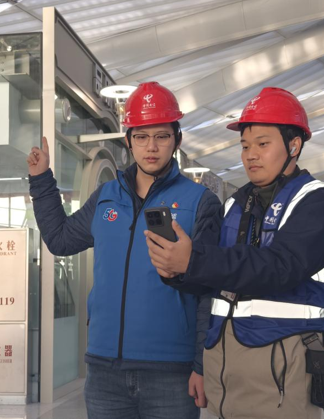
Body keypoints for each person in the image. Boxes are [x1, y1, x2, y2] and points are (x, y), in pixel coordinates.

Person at [145, 87, 324, 419]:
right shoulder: (235, 204)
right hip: (225, 373)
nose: (250, 155)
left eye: (262, 144)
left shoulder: (318, 203)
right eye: (244, 146)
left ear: (294, 145)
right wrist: (177, 271)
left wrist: (193, 260)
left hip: (284, 372)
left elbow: (280, 267)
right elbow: (211, 277)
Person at [27, 82, 221, 419]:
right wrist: (42, 180)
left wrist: (202, 365)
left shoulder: (200, 202)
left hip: (172, 371)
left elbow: (209, 291)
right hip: (104, 370)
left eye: (162, 136)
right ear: (128, 140)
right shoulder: (106, 197)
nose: (151, 147)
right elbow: (60, 239)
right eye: (141, 137)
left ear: (177, 139)